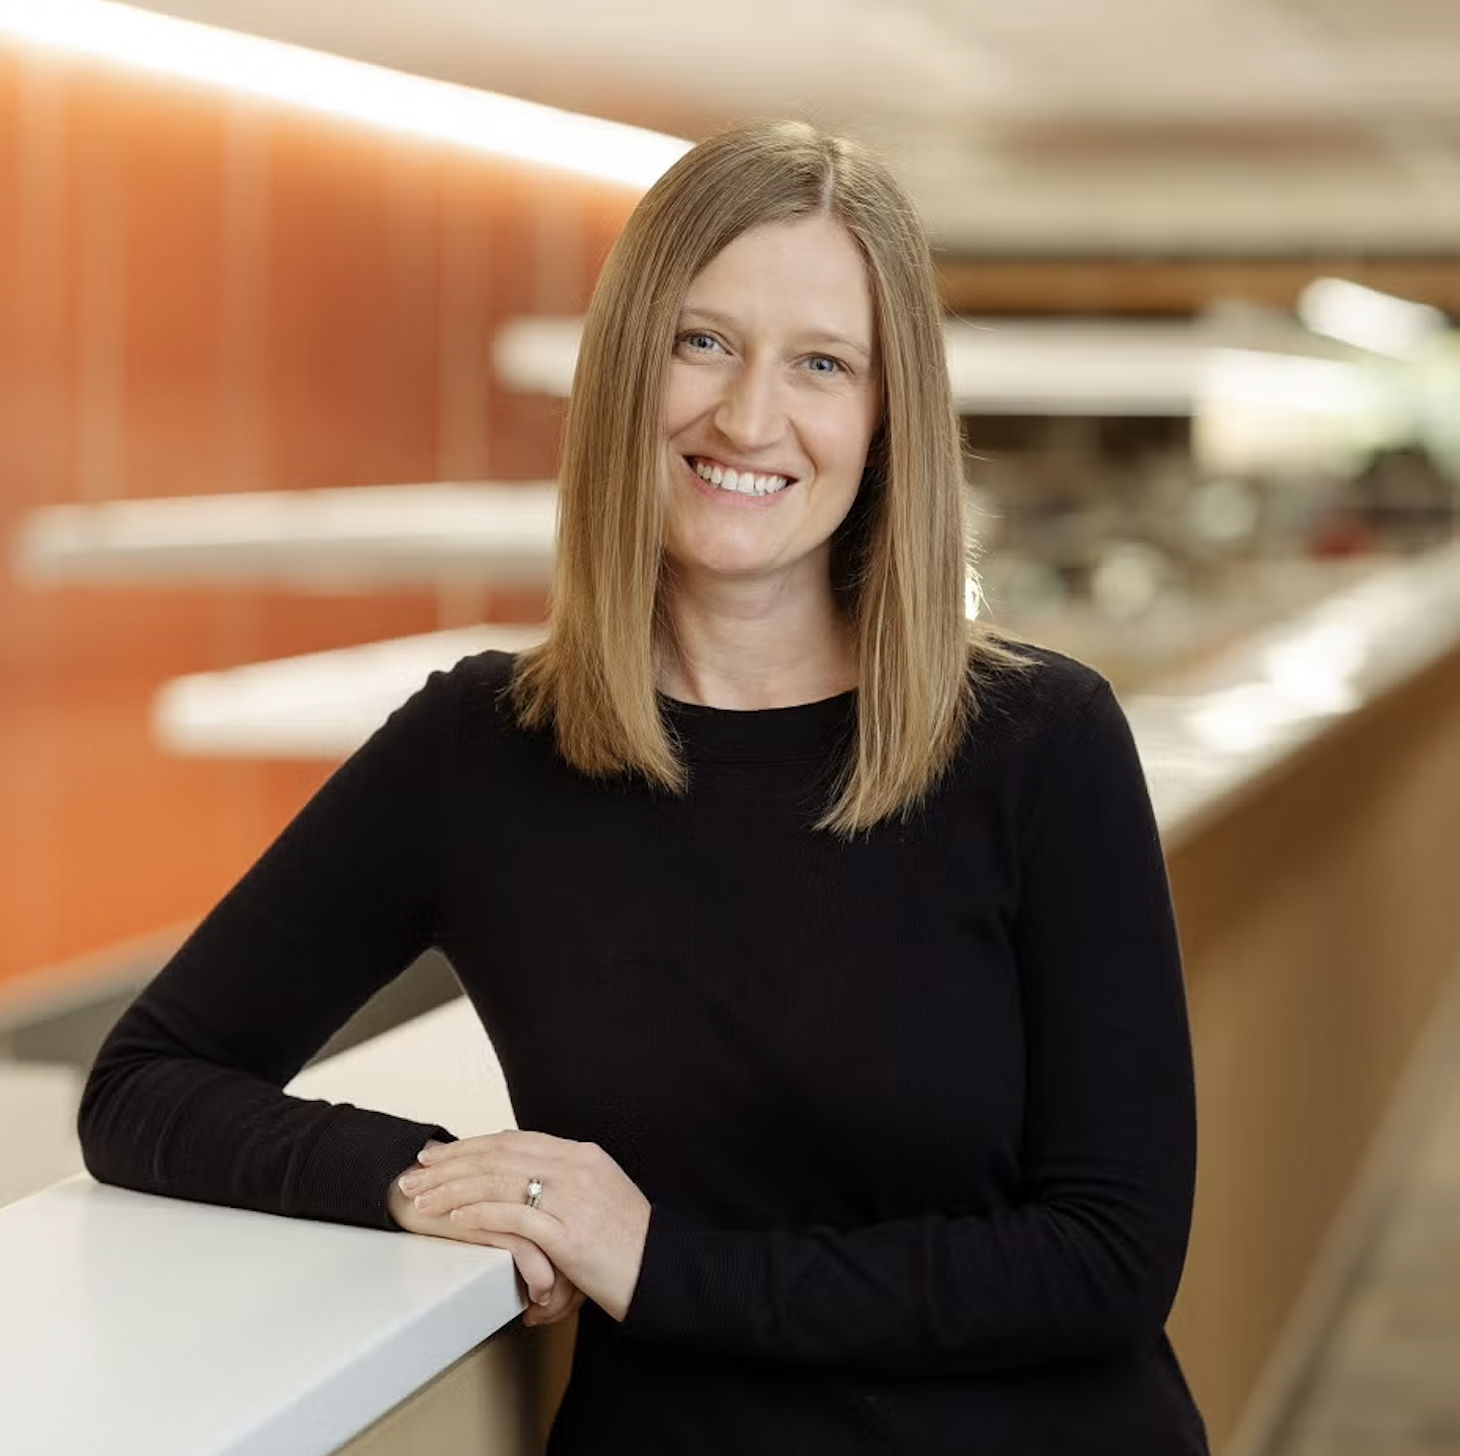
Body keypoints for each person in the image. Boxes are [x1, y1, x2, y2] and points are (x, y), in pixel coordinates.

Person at [79, 120, 1209, 1454]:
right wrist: (423, 1178)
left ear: (887, 415)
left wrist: (660, 1264)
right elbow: (145, 1084)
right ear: (626, 368)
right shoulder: (484, 747)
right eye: (702, 341)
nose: (748, 418)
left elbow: (1108, 1254)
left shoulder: (1039, 742)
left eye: (822, 363)